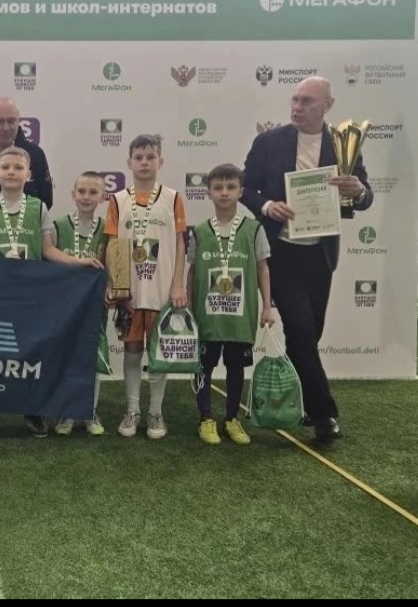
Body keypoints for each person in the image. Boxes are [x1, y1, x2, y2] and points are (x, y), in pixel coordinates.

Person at [240, 76, 373, 443]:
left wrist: (358, 191)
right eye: (295, 100)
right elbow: (245, 187)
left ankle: (300, 401)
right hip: (280, 252)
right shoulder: (269, 142)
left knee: (309, 334)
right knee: (300, 330)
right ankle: (324, 414)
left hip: (320, 255)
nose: (297, 107)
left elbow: (366, 196)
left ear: (328, 105)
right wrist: (268, 205)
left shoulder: (342, 145)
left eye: (307, 102)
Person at [0, 147, 101, 437]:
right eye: (6, 167)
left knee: (30, 351)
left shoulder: (39, 207)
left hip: (30, 295)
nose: (11, 172)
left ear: (29, 174)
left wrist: (80, 262)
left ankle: (32, 410)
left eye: (18, 167)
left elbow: (48, 250)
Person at [104, 134, 187, 440]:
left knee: (158, 353)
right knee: (132, 350)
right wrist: (116, 285)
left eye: (150, 157)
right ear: (129, 162)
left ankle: (155, 412)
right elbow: (113, 243)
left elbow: (180, 244)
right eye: (138, 157)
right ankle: (132, 410)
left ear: (160, 161)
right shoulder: (118, 200)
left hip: (162, 290)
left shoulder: (173, 198)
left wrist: (177, 285)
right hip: (131, 292)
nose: (144, 162)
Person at [187, 164, 274, 446]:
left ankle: (232, 418)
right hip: (207, 315)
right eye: (218, 187)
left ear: (241, 191)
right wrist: (189, 308)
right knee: (203, 366)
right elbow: (191, 272)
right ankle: (205, 418)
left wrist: (267, 306)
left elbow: (262, 269)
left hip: (240, 315)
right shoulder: (199, 231)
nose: (224, 193)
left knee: (236, 367)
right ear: (208, 193)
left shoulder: (254, 229)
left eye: (231, 187)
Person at [51, 171, 110, 437]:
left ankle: (89, 411)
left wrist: (112, 288)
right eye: (82, 191)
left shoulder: (108, 230)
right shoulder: (58, 226)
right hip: (63, 306)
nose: (87, 197)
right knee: (65, 357)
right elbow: (48, 258)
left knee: (91, 359)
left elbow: (113, 265)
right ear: (73, 194)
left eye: (93, 192)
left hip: (94, 307)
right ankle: (66, 410)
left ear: (102, 197)